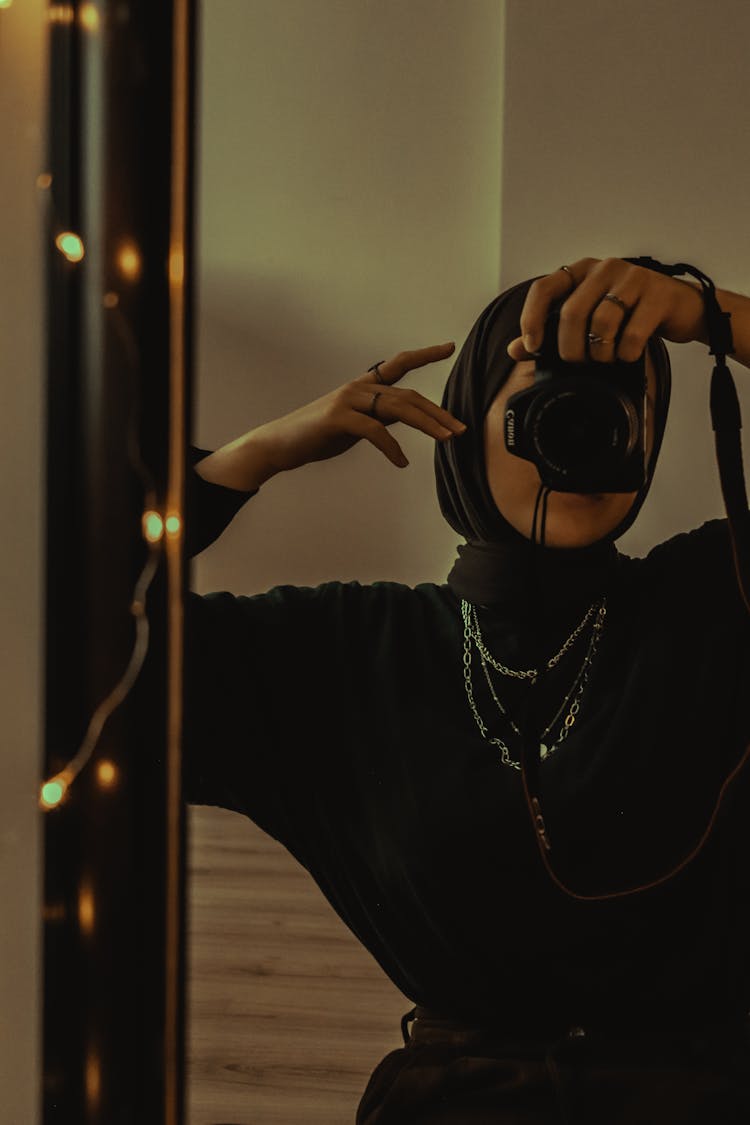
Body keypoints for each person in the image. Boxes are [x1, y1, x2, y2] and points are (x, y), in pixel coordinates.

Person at [184, 257, 750, 1123]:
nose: (585, 426)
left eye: (617, 403)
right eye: (548, 398)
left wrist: (711, 317)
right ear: (460, 423)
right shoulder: (344, 654)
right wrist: (247, 457)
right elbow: (57, 644)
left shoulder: (715, 604)